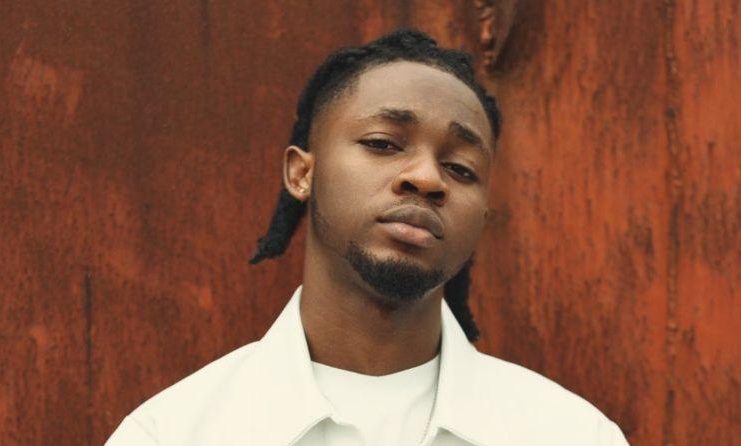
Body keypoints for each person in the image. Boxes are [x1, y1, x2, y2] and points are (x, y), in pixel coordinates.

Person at [106, 29, 629, 445]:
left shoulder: (570, 435)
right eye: (383, 143)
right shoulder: (173, 434)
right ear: (301, 174)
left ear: (483, 214)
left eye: (460, 168)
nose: (426, 178)